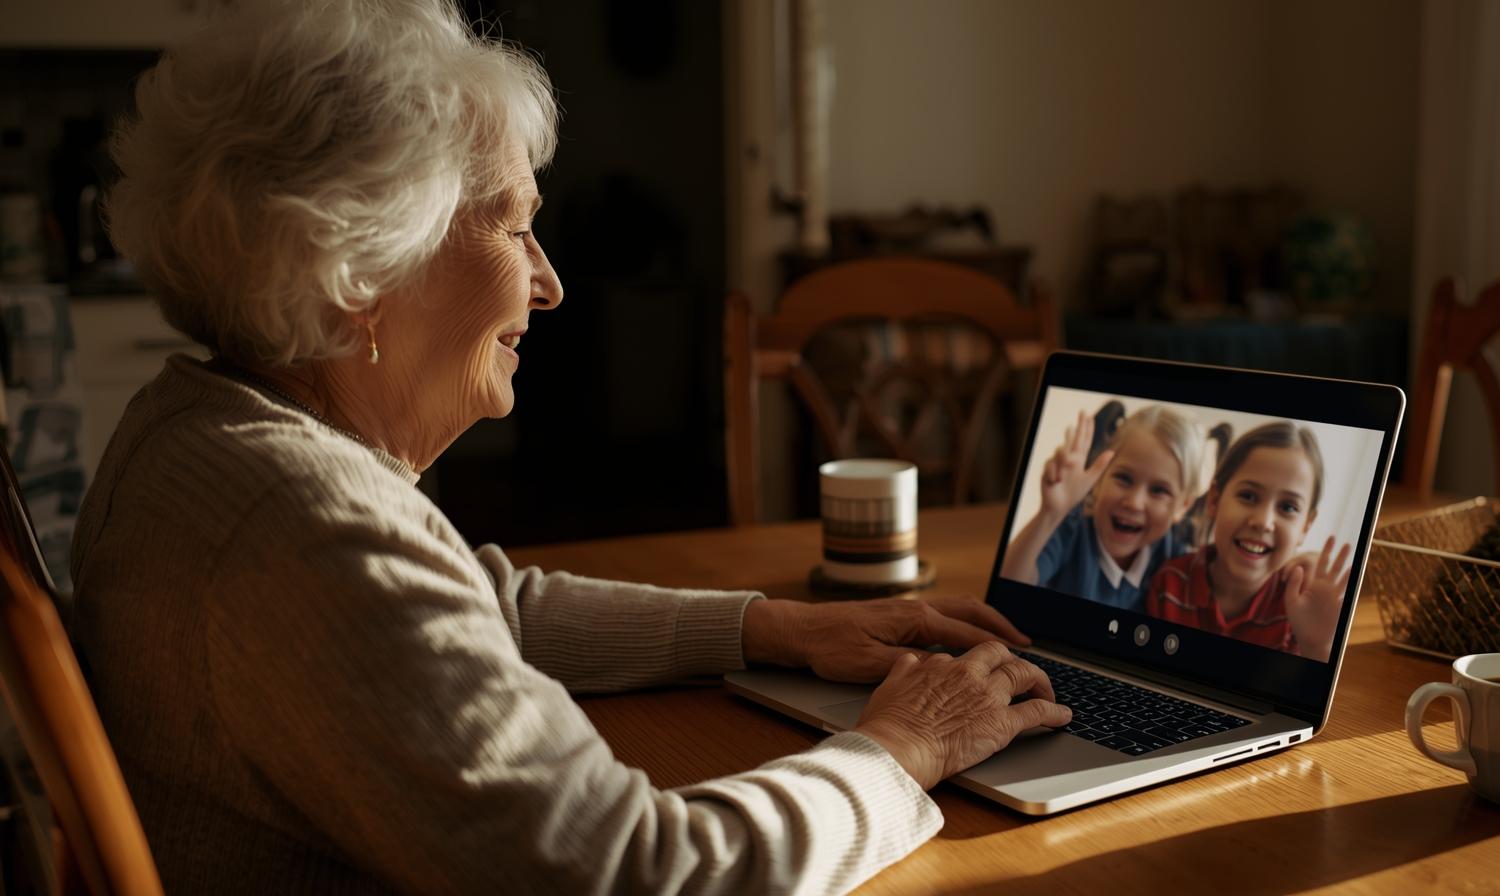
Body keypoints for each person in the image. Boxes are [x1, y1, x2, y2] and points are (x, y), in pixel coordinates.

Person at [67, 2, 1070, 892]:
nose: (547, 284)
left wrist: (773, 627)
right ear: (359, 264)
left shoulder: (196, 425)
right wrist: (906, 741)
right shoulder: (307, 528)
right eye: (514, 228)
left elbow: (472, 601)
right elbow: (642, 871)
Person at [1144, 421, 1352, 661]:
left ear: (1305, 526)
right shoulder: (1169, 584)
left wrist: (1317, 647)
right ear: (1214, 500)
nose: (1263, 522)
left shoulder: (1303, 607)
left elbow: (1303, 694)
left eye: (1287, 507)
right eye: (1248, 496)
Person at [1000, 404, 1203, 609]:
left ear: (1183, 506)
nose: (1134, 503)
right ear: (1099, 478)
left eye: (1159, 490)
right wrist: (1049, 514)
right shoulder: (1070, 529)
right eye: (1123, 478)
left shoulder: (1175, 559)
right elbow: (1010, 586)